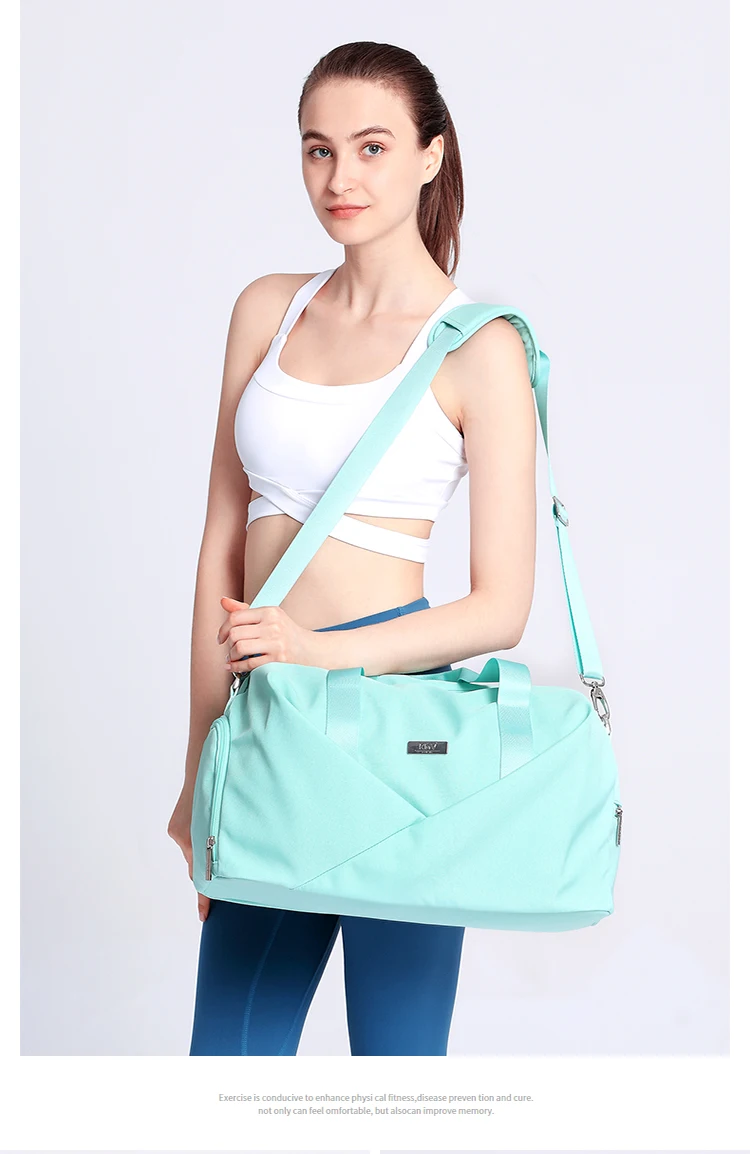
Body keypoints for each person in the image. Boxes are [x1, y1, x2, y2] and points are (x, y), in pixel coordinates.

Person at [167, 39, 537, 1057]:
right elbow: (219, 544)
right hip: (269, 728)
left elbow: (501, 608)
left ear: (431, 153)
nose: (341, 177)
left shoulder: (482, 345)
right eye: (318, 149)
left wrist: (313, 650)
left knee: (397, 1072)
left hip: (399, 739)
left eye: (372, 147)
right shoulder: (268, 308)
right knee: (226, 1067)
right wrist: (201, 765)